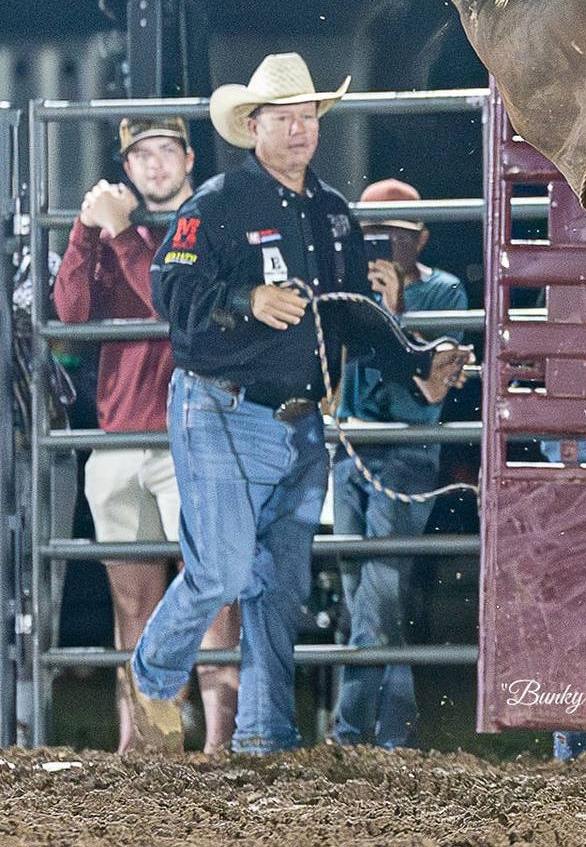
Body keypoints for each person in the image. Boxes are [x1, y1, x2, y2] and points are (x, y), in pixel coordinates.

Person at [123, 53, 470, 753]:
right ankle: (155, 678)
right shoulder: (216, 205)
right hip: (221, 408)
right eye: (283, 117)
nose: (298, 128)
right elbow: (172, 289)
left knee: (279, 584)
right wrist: (243, 298)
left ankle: (265, 737)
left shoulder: (332, 213)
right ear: (253, 126)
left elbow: (353, 313)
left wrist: (414, 363)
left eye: (307, 115)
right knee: (222, 568)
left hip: (300, 421)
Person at [53, 117, 241, 752]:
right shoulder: (115, 233)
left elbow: (171, 304)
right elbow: (70, 313)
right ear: (127, 168)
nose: (155, 164)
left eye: (166, 151)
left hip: (194, 435)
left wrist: (118, 231)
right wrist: (84, 231)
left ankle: (219, 744)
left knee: (210, 591)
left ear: (189, 159)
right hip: (119, 436)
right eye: (141, 155)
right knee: (132, 602)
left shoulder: (205, 225)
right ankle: (141, 745)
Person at [328, 178, 468, 748]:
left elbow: (431, 390)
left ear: (421, 238)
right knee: (363, 597)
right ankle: (397, 736)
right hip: (349, 449)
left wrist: (391, 314)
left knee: (378, 594)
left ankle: (349, 734)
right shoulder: (346, 292)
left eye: (396, 234)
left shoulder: (444, 293)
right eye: (372, 234)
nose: (384, 245)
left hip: (408, 451)